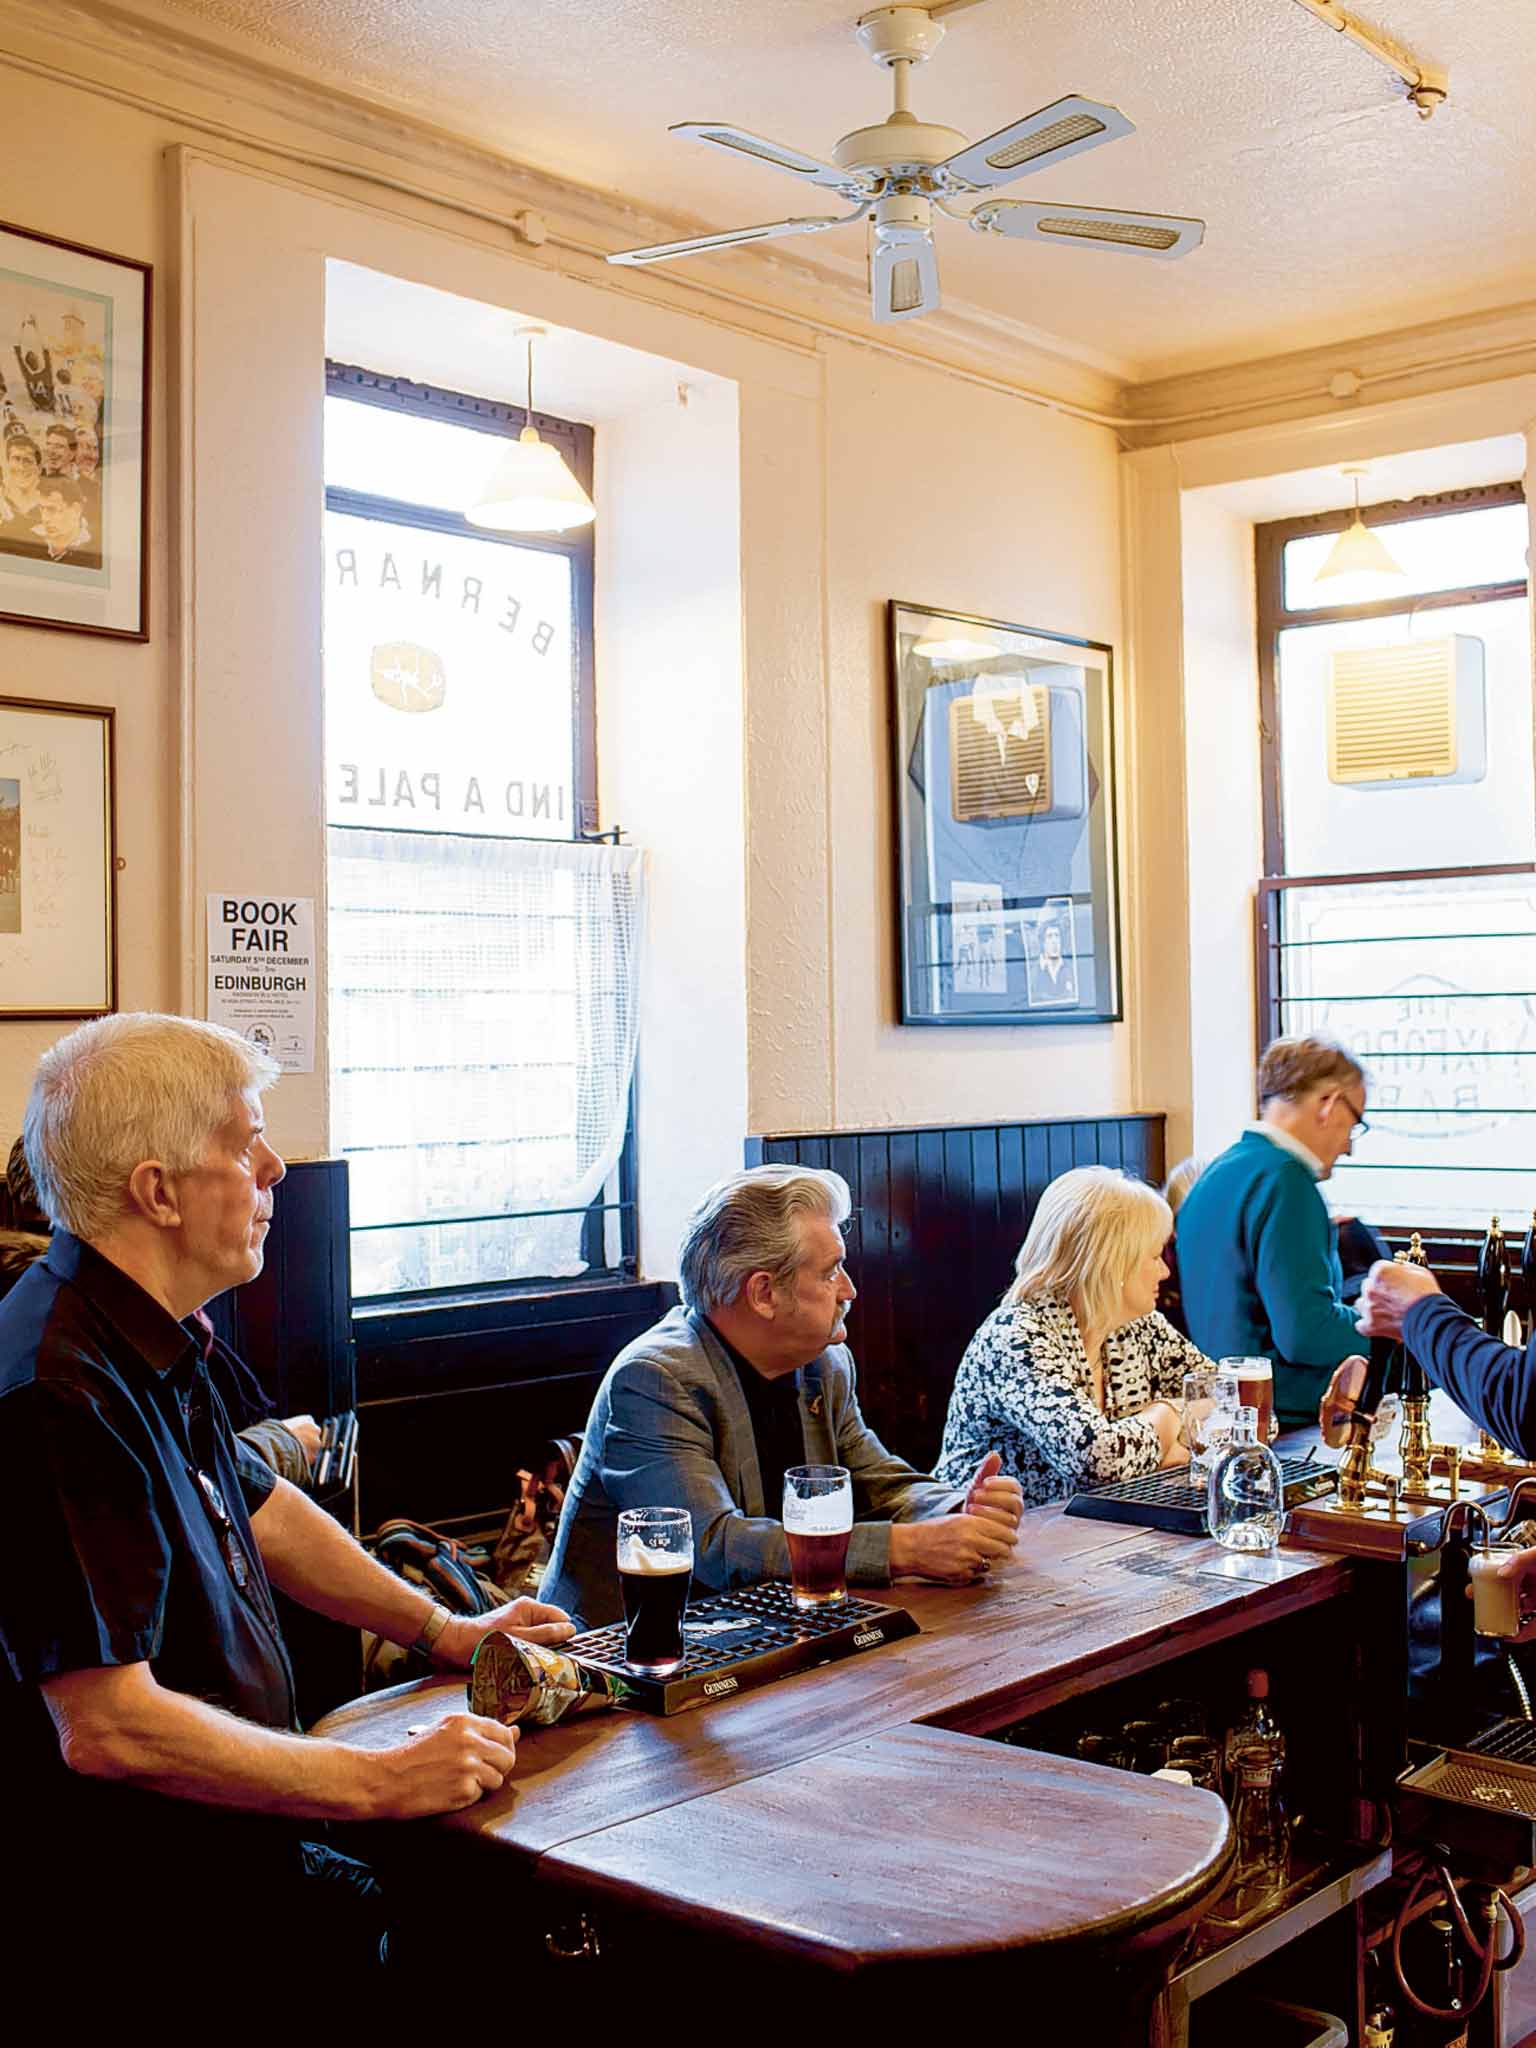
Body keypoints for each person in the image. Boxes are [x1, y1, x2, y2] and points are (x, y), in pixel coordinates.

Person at [0, 1013, 573, 1983]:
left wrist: (447, 1629)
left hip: (233, 1853)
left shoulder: (145, 1327)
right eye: (244, 1141)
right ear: (158, 1190)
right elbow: (107, 1726)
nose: (274, 1168)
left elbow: (264, 1512)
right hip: (135, 1918)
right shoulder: (56, 1388)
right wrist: (378, 1779)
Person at [542, 1165, 1024, 1626]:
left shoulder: (824, 1364)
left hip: (763, 1634)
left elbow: (881, 1486)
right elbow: (713, 1547)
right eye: (831, 1272)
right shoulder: (654, 1380)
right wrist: (906, 1550)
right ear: (764, 1294)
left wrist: (959, 1511)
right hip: (617, 1666)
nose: (850, 1290)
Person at [936, 1167, 1209, 1508]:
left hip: (1091, 1537)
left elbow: (1239, 1408)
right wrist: (1168, 1418)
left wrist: (1149, 1451)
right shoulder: (1015, 1338)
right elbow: (1097, 1461)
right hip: (987, 1545)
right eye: (1154, 1256)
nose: (1165, 1271)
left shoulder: (1138, 1325)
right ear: (1112, 1263)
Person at [1176, 1034, 1371, 1430]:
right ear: (1329, 1103)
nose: (1349, 1146)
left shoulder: (1219, 1171)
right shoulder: (1287, 1183)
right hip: (1288, 1418)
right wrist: (1394, 1330)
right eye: (1355, 1123)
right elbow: (1306, 1333)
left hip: (1222, 1413)